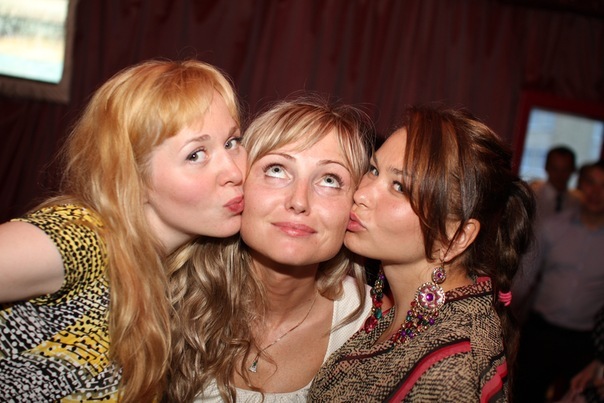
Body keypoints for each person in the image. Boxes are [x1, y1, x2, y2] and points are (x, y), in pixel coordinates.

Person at [0, 59, 246, 402]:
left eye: (232, 142)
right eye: (196, 155)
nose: (234, 171)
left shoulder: (175, 270)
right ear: (133, 177)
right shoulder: (86, 238)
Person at [308, 104, 536, 401]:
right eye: (373, 170)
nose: (361, 194)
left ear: (455, 237)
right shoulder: (414, 308)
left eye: (399, 187)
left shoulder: (450, 374)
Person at [165, 97, 375, 402]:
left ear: (354, 206)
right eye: (277, 170)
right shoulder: (169, 294)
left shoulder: (372, 327)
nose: (299, 201)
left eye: (330, 180)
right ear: (239, 182)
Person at [513, 160, 604, 402]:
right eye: (590, 183)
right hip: (541, 331)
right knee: (523, 394)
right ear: (580, 184)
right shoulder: (552, 227)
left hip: (586, 340)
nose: (596, 192)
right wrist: (506, 315)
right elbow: (526, 276)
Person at [530, 145, 580, 221]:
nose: (559, 175)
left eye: (565, 170)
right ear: (546, 167)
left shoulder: (578, 201)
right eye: (554, 169)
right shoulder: (533, 194)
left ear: (573, 170)